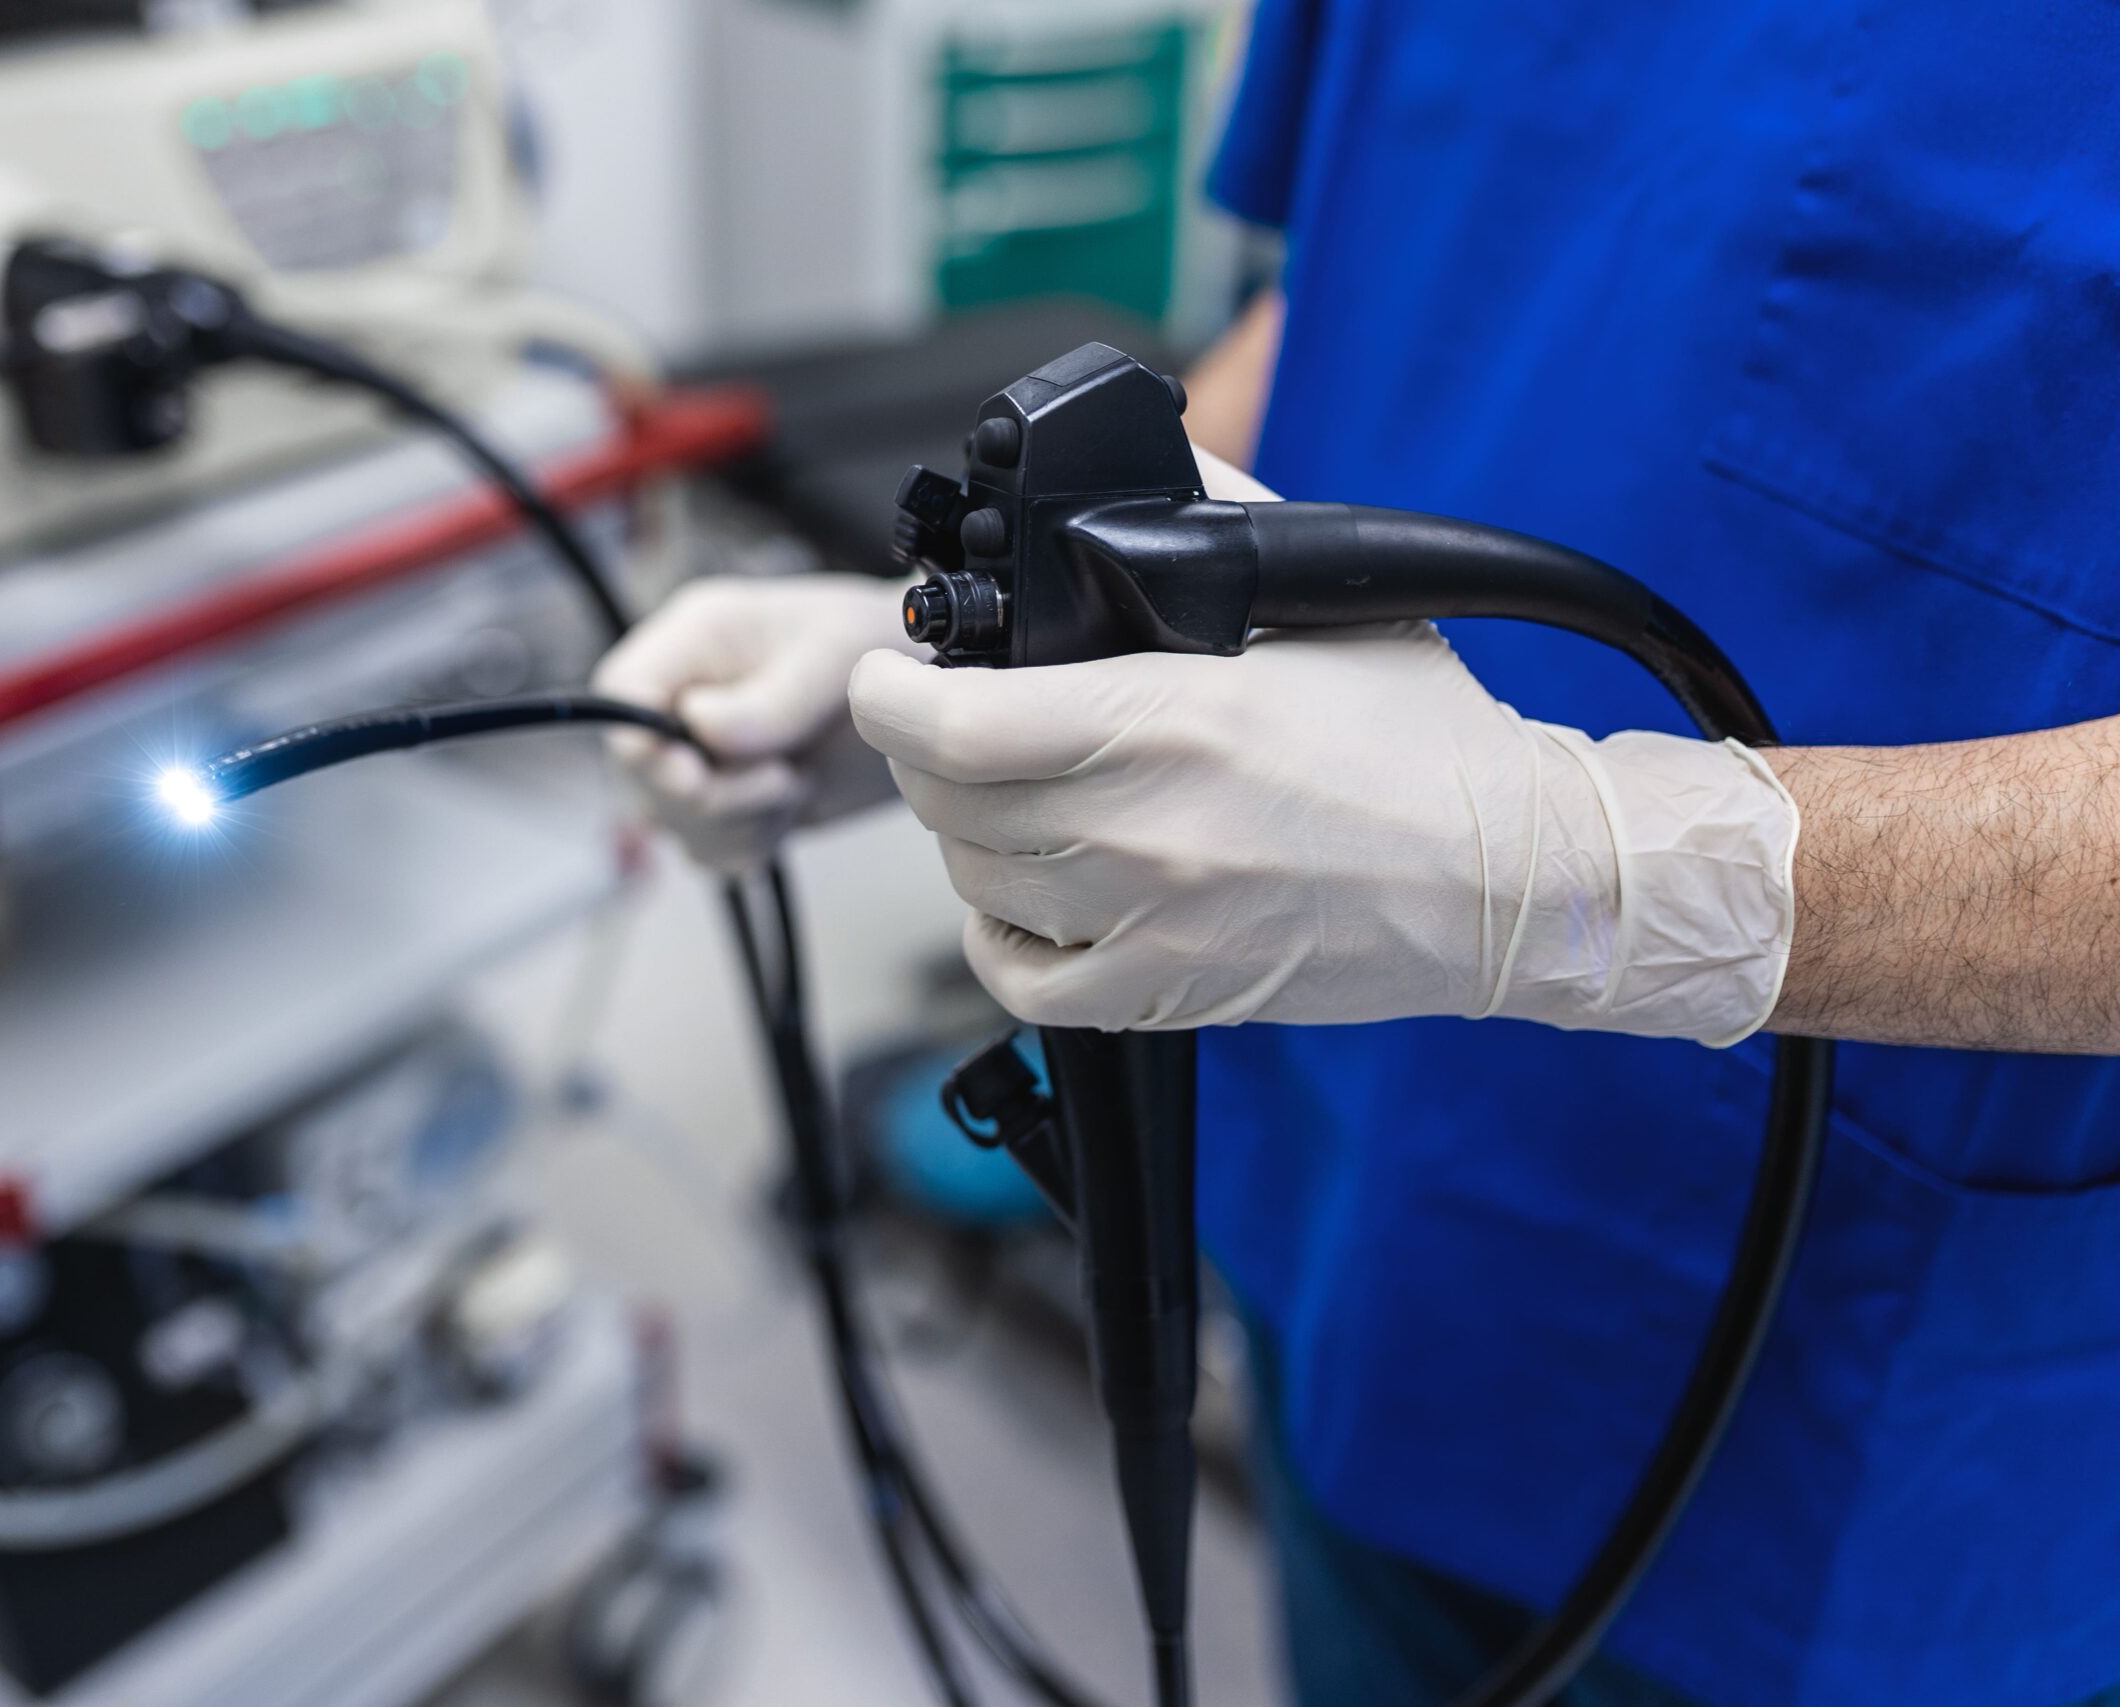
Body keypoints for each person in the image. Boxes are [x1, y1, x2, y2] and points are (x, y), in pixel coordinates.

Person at [597, 4, 2120, 1702]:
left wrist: (1599, 871)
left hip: (1852, 1438)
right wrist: (981, 632)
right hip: (1340, 1193)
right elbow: (1360, 284)